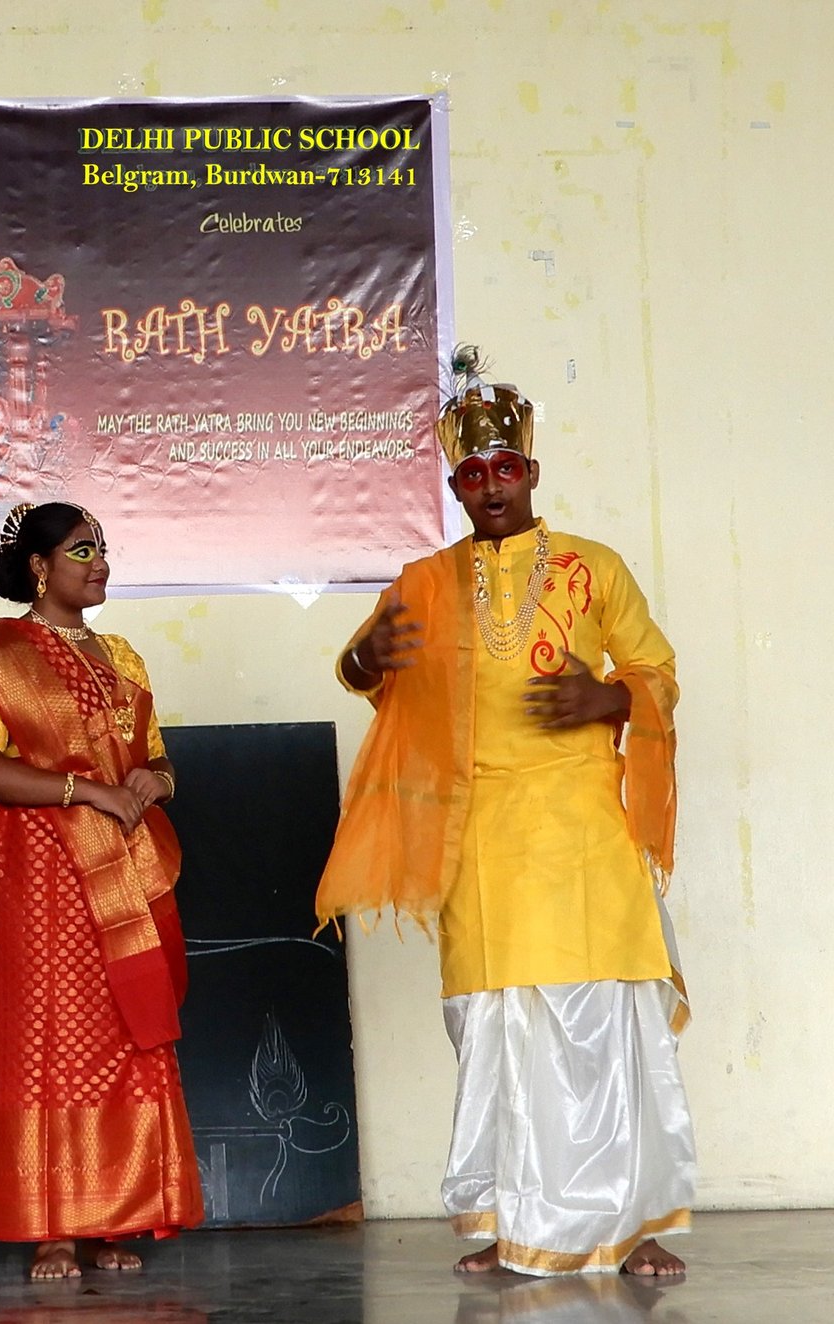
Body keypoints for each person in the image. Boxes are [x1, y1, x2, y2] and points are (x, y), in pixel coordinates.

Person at [316, 350, 695, 1277]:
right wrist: (366, 658)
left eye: (505, 468)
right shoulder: (424, 579)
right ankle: (508, 1218)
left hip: (582, 832)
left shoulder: (593, 567)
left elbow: (657, 673)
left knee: (604, 1022)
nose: (490, 485)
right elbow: (361, 673)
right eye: (472, 474)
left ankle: (633, 1224)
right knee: (495, 1030)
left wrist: (607, 699)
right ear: (455, 486)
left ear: (531, 471)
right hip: (478, 837)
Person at [0, 502, 204, 1280]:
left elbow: (156, 758)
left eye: (103, 549)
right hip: (42, 879)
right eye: (83, 551)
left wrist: (155, 781)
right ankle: (52, 1227)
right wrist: (86, 791)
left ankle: (113, 1216)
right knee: (49, 1043)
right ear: (39, 567)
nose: (100, 563)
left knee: (125, 1037)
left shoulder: (123, 657)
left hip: (123, 871)